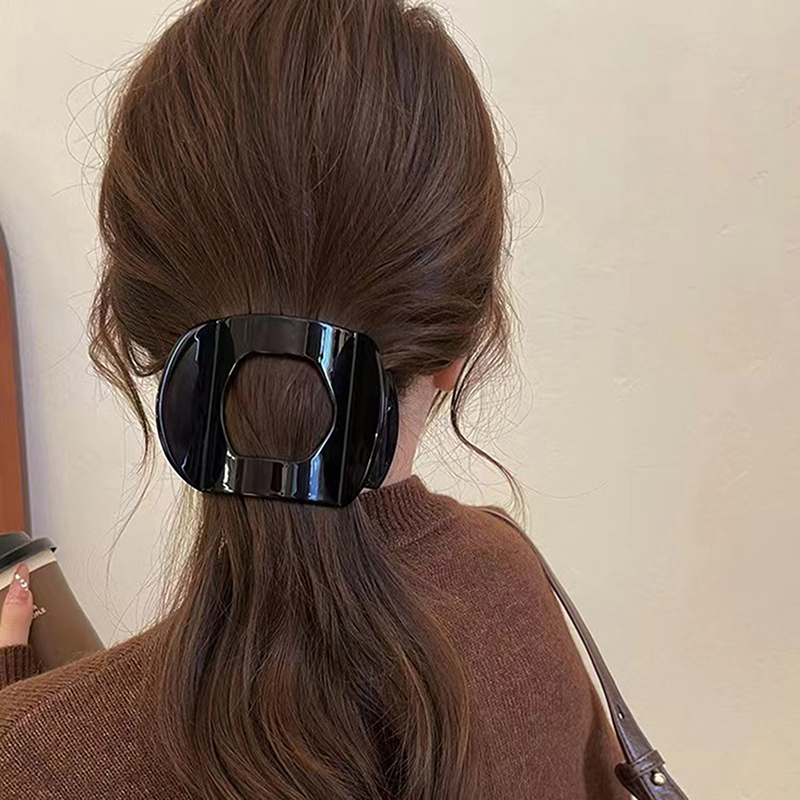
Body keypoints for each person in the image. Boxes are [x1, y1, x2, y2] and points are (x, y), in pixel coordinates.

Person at [0, 1, 630, 797]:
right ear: (458, 346)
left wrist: (17, 678)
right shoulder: (513, 589)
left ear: (143, 335)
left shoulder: (30, 757)